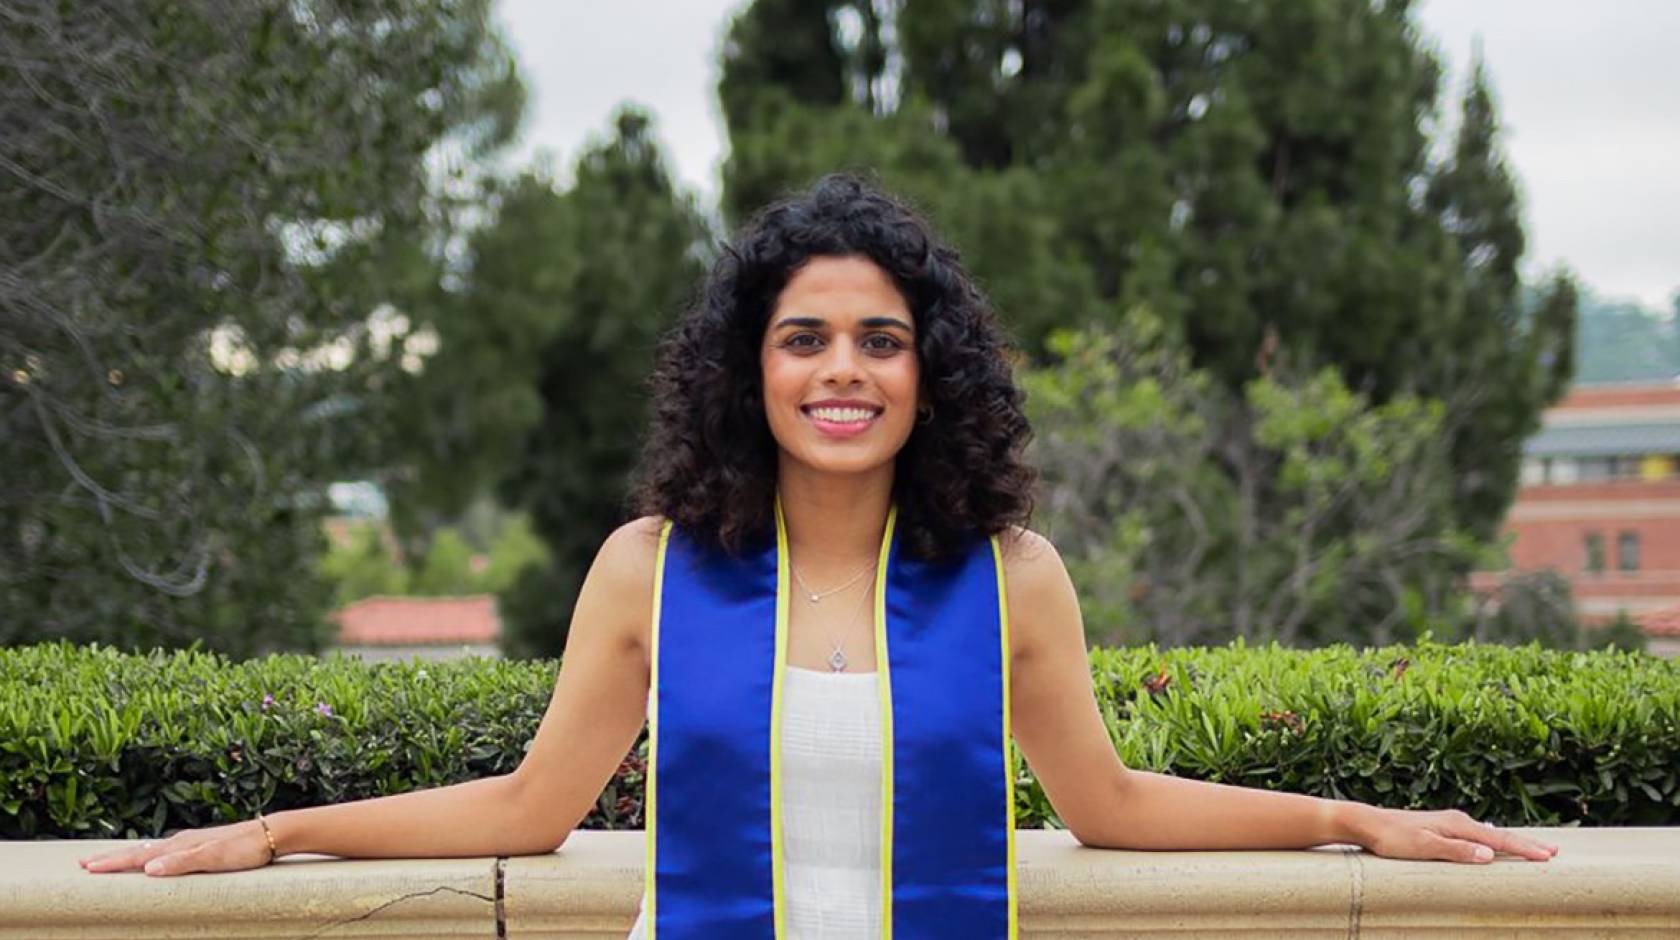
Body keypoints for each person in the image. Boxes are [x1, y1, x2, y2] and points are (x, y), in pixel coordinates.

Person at [76, 173, 1558, 935]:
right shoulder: (649, 570)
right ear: (751, 371)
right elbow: (532, 810)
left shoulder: (1009, 577)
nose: (841, 370)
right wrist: (276, 834)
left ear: (931, 373)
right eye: (805, 338)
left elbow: (1107, 803)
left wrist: (1348, 817)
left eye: (880, 341)